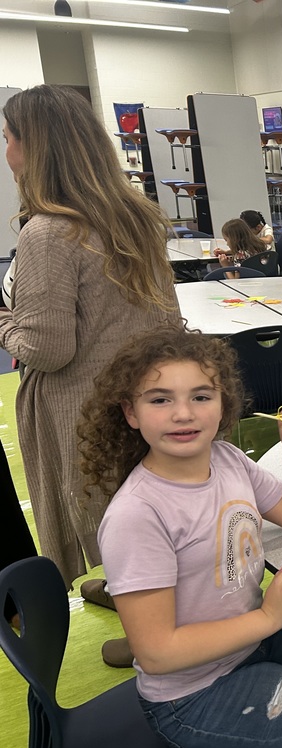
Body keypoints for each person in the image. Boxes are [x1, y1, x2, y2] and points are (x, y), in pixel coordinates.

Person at [80, 323, 282, 748]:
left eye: (201, 396)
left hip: (250, 643)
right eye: (160, 399)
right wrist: (269, 616)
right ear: (131, 413)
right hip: (191, 697)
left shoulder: (227, 459)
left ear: (223, 404)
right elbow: (156, 652)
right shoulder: (138, 515)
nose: (183, 413)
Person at [0, 84, 181, 595]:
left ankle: (146, 627)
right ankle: (136, 589)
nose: (6, 151)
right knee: (140, 501)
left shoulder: (48, 234)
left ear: (34, 149)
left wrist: (5, 322)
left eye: (9, 138)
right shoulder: (137, 216)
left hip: (83, 407)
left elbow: (46, 349)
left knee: (104, 507)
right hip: (143, 395)